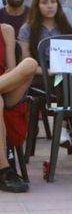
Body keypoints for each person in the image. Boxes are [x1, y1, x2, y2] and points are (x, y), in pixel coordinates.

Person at [18, 0, 72, 166]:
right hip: (39, 77)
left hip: (62, 77)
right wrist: (47, 71)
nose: (50, 6)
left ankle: (65, 125)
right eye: (44, 2)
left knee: (66, 80)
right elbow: (26, 62)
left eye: (52, 2)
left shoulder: (65, 27)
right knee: (66, 83)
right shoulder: (28, 29)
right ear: (37, 6)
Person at [0, 17, 37, 193]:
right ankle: (4, 170)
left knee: (30, 63)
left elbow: (12, 70)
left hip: (5, 86)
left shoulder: (6, 30)